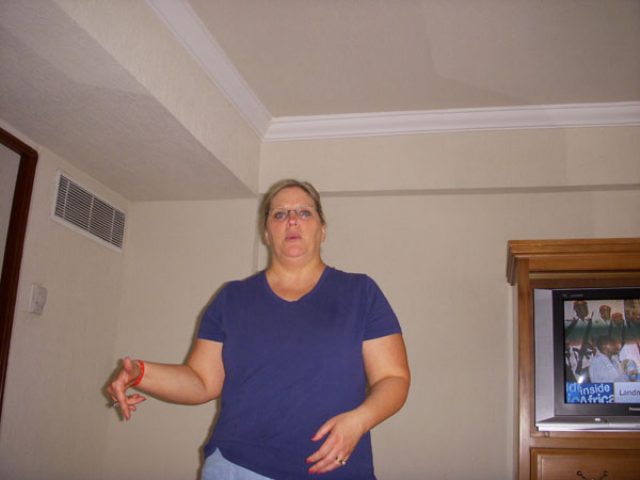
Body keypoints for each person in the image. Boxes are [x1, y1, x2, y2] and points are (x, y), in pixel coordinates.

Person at [107, 179, 411, 480]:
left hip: (334, 470)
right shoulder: (232, 298)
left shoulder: (360, 292)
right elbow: (201, 381)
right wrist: (140, 373)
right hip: (238, 467)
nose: (292, 220)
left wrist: (359, 421)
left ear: (323, 230)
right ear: (267, 232)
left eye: (304, 212)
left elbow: (393, 378)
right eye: (280, 214)